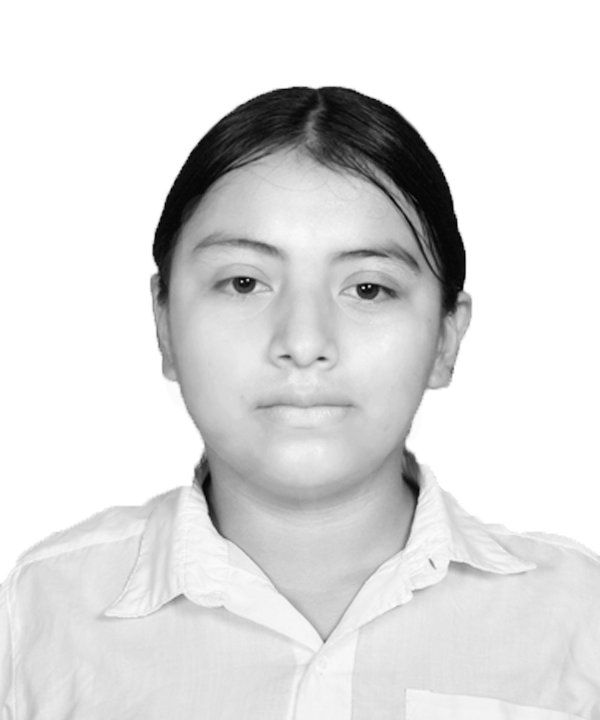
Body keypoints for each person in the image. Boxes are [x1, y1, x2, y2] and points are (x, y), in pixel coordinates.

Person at [1, 87, 598, 719]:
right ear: (164, 324)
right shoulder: (39, 617)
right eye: (243, 283)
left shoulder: (580, 622)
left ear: (447, 338)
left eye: (368, 289)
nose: (304, 342)